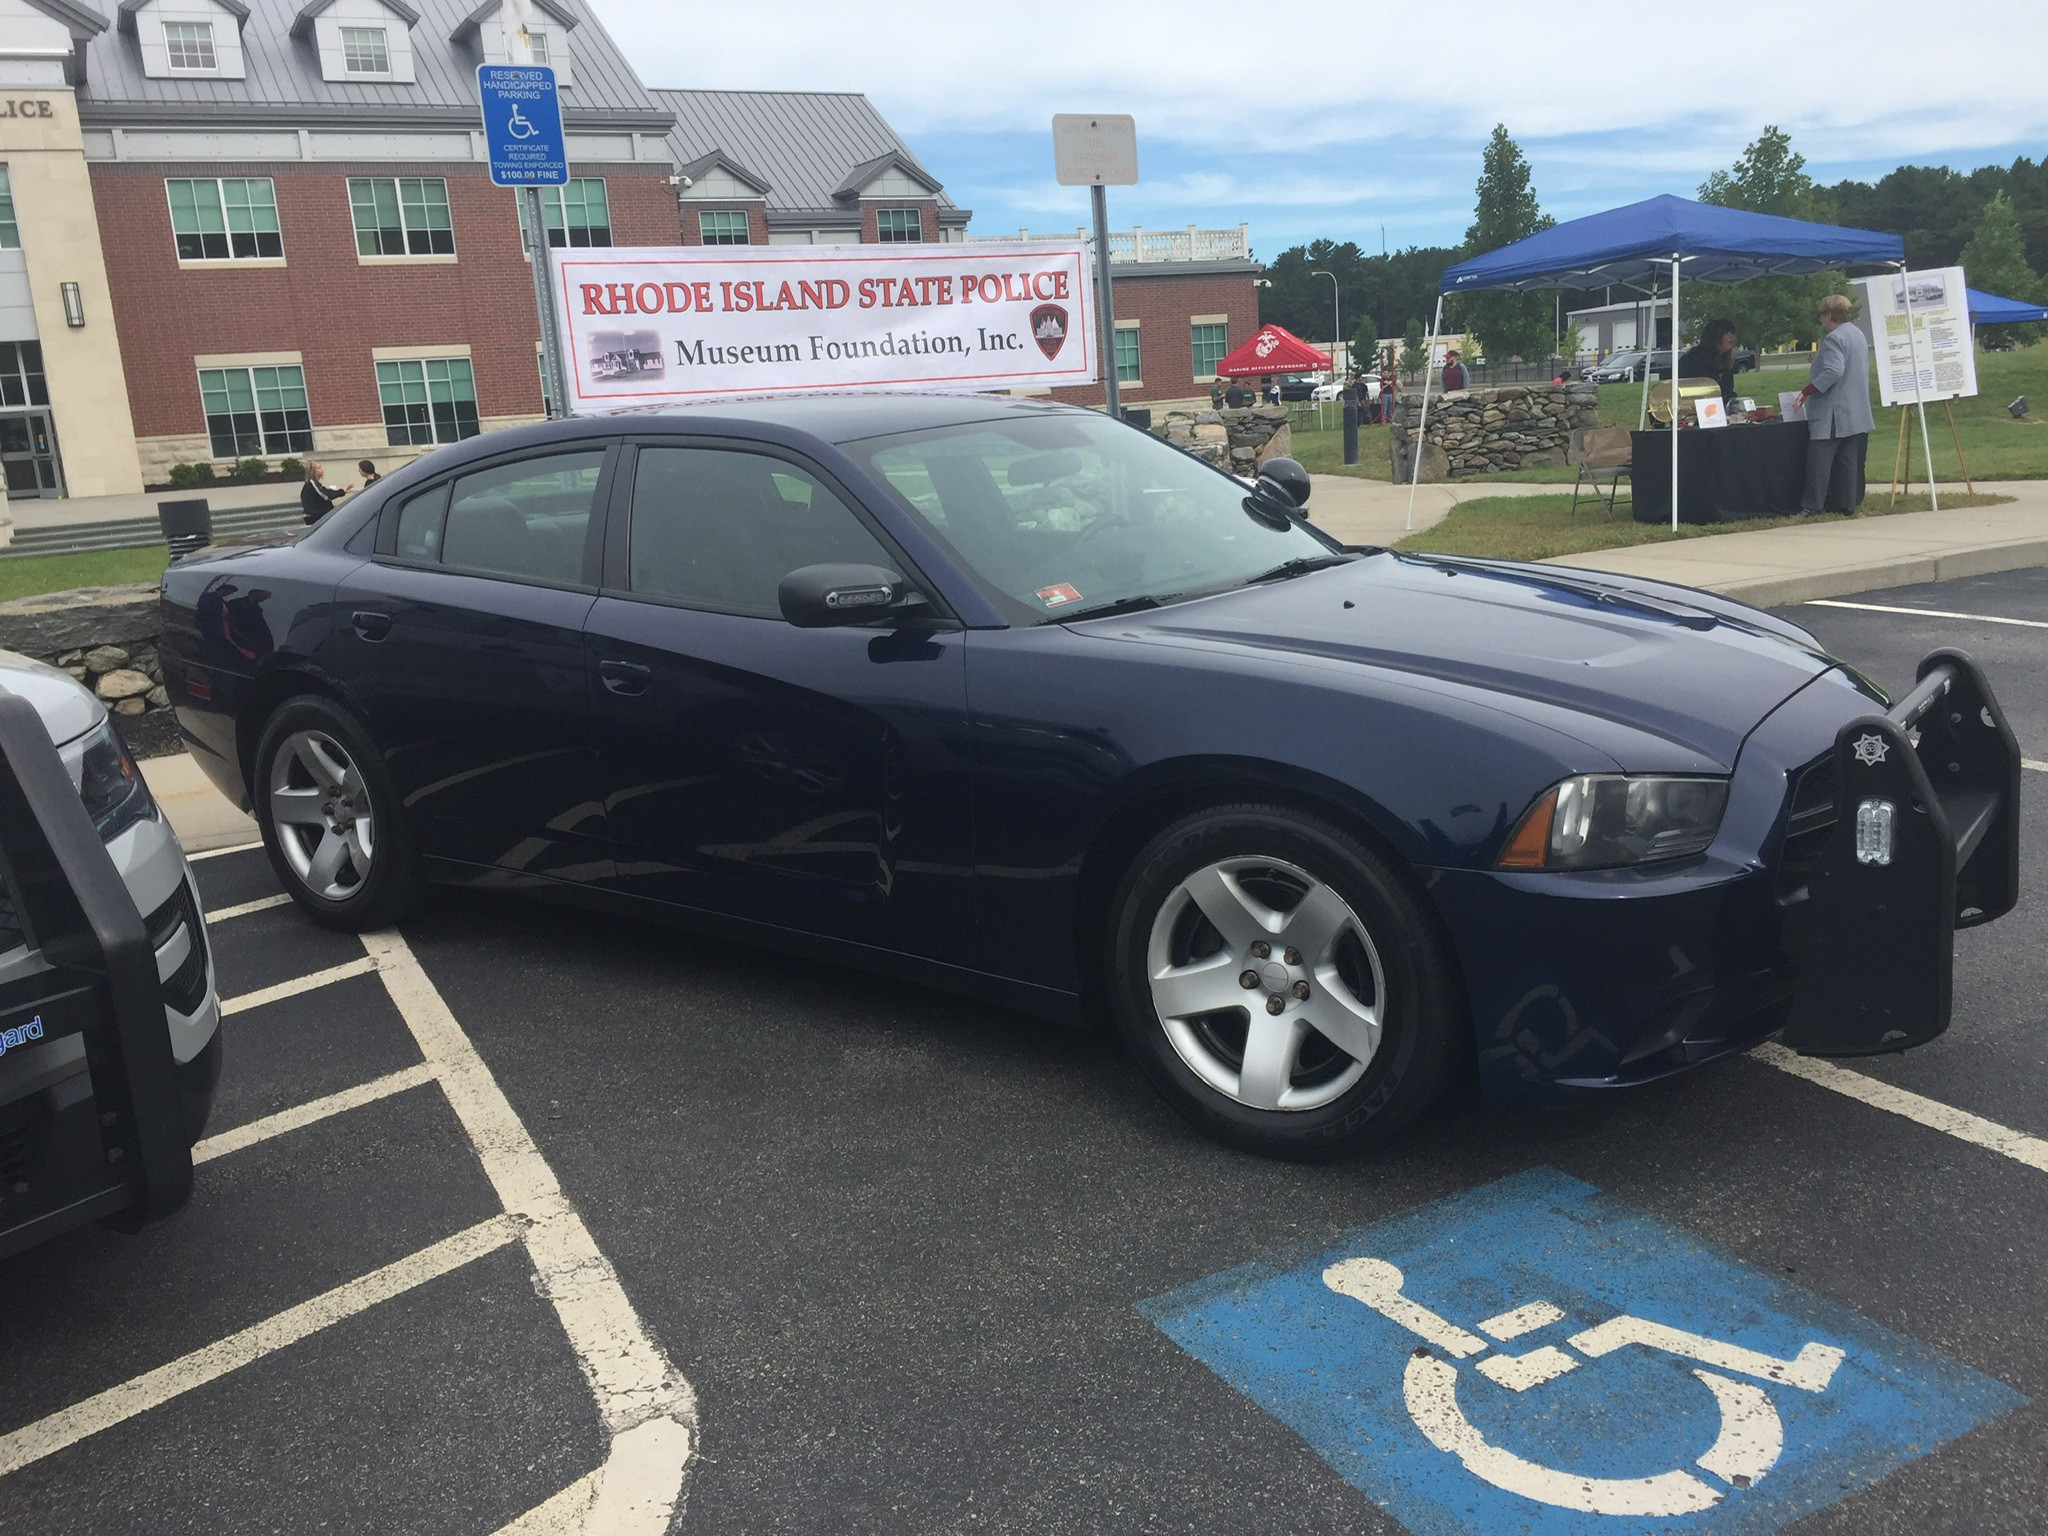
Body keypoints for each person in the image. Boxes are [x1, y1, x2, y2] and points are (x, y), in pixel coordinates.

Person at [1796, 294, 1875, 513]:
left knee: (1819, 459)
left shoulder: (1833, 339)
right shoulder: (1857, 334)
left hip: (1833, 412)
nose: (1820, 319)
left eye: (1821, 314)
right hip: (1855, 409)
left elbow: (1833, 370)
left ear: (1829, 315)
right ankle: (1848, 503)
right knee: (1848, 460)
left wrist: (1807, 390)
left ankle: (1813, 505)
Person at [1677, 318, 1739, 407]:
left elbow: (1727, 392)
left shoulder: (1724, 361)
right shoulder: (1695, 359)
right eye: (1726, 333)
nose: (1731, 337)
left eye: (1732, 333)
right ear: (1715, 336)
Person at [300, 460, 350, 524]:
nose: (322, 469)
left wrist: (342, 491)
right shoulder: (312, 484)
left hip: (317, 515)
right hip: (316, 517)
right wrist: (340, 492)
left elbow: (325, 491)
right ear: (313, 471)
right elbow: (325, 495)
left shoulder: (314, 484)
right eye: (319, 468)